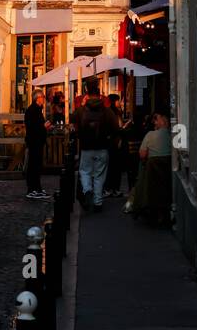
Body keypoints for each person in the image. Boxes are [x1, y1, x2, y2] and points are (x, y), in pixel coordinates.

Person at [70, 78, 119, 212]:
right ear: (98, 92)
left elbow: (72, 121)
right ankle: (98, 201)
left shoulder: (81, 110)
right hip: (102, 147)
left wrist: (81, 106)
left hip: (86, 147)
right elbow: (115, 127)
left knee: (85, 171)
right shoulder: (106, 109)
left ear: (87, 92)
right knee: (99, 175)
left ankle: (87, 190)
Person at [127, 112, 171, 224]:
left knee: (143, 178)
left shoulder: (150, 135)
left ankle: (142, 205)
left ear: (158, 123)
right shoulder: (172, 134)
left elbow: (142, 154)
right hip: (168, 169)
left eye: (155, 120)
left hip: (153, 169)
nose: (154, 122)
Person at [24, 90, 50, 199]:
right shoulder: (32, 110)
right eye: (43, 97)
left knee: (37, 166)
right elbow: (33, 127)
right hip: (34, 142)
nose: (44, 99)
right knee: (33, 166)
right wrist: (44, 126)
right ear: (38, 98)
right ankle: (32, 189)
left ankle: (37, 188)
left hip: (38, 141)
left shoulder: (38, 110)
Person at [103, 94, 126, 198]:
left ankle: (113, 188)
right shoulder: (110, 112)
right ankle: (110, 188)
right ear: (113, 101)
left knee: (115, 166)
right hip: (112, 141)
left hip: (115, 141)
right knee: (112, 166)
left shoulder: (116, 112)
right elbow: (113, 127)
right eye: (118, 101)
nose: (119, 103)